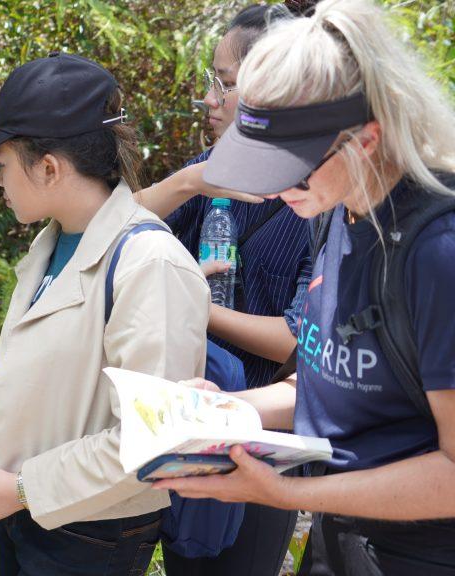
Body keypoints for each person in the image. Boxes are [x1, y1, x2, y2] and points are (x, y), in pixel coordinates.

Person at [154, 0, 455, 574]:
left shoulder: (437, 252)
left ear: (366, 140)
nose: (273, 188)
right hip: (340, 541)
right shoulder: (337, 213)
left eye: (289, 166)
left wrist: (286, 495)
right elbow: (326, 380)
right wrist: (226, 409)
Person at [0, 52, 209, 575]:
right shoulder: (51, 243)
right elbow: (33, 371)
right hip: (29, 514)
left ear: (50, 167)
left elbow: (155, 441)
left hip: (93, 534)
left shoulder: (150, 265)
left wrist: (17, 488)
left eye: (2, 166)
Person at [135, 5, 313, 574]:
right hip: (185, 423)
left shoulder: (320, 198)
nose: (210, 99)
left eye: (227, 84)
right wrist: (189, 179)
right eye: (212, 81)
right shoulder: (212, 168)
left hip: (264, 442)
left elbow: (293, 339)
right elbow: (113, 234)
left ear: (276, 91)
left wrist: (198, 306)